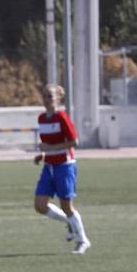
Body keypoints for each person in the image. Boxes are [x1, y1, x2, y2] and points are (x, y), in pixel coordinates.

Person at [32, 84, 90, 254]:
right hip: (49, 166)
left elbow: (74, 142)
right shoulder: (42, 118)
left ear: (57, 98)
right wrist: (43, 155)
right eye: (44, 96)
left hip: (64, 166)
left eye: (50, 96)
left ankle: (83, 241)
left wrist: (49, 149)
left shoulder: (62, 117)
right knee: (40, 205)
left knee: (67, 206)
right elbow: (49, 143)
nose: (47, 100)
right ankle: (69, 222)